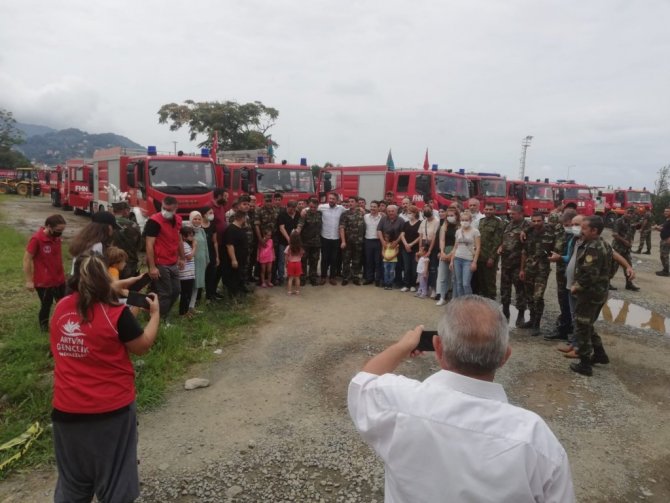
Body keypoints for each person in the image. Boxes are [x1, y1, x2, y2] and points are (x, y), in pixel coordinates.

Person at [348, 295, 575, 503]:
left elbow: (363, 381)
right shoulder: (538, 440)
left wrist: (401, 347)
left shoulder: (398, 402)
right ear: (505, 357)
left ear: (438, 348)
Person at [50, 253, 159, 503]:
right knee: (115, 481)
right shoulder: (116, 314)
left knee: (72, 483)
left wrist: (121, 286)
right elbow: (142, 345)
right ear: (105, 278)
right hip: (111, 411)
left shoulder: (61, 307)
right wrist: (154, 315)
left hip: (66, 411)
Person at [569, 216, 613, 376]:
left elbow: (590, 274)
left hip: (589, 294)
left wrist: (577, 286)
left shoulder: (593, 247)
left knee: (582, 326)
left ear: (594, 231)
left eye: (584, 228)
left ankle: (585, 364)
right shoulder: (604, 244)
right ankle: (600, 354)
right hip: (599, 292)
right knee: (587, 324)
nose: (581, 231)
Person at [23, 214, 67, 331]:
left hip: (59, 279)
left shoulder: (56, 238)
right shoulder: (36, 239)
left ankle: (63, 325)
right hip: (44, 281)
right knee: (46, 305)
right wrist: (29, 281)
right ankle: (44, 329)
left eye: (62, 230)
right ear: (48, 226)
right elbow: (27, 259)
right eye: (58, 230)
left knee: (64, 303)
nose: (60, 233)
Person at [145, 197, 185, 320]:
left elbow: (179, 239)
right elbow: (149, 244)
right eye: (164, 208)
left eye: (169, 209)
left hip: (173, 261)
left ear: (175, 208)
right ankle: (160, 319)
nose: (165, 211)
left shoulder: (178, 220)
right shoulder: (154, 221)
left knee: (176, 290)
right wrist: (152, 267)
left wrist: (182, 257)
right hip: (160, 262)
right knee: (165, 292)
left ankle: (160, 313)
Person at [519, 212, 555, 337]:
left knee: (538, 297)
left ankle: (537, 325)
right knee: (529, 296)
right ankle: (532, 319)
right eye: (533, 221)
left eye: (539, 221)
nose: (536, 223)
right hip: (529, 269)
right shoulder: (528, 233)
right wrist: (522, 269)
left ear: (543, 220)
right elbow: (524, 252)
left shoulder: (550, 232)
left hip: (542, 270)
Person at [545, 209, 578, 341]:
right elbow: (543, 226)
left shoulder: (580, 235)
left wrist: (560, 258)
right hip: (562, 271)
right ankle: (565, 328)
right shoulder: (560, 229)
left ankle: (573, 332)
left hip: (575, 274)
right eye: (565, 225)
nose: (567, 227)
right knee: (563, 300)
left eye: (569, 225)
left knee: (574, 303)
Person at [498, 205, 529, 326]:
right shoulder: (508, 225)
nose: (511, 216)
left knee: (520, 290)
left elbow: (526, 247)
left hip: (518, 264)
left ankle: (521, 315)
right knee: (505, 289)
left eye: (513, 214)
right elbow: (504, 240)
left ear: (521, 214)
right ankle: (505, 312)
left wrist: (522, 268)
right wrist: (501, 247)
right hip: (506, 263)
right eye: (510, 213)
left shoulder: (526, 226)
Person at [477, 202, 505, 300]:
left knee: (490, 281)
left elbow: (497, 242)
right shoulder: (481, 221)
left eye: (490, 209)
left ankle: (492, 301)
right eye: (486, 209)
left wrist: (492, 258)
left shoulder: (498, 223)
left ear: (494, 210)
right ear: (483, 210)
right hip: (480, 256)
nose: (488, 211)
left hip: (489, 257)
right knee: (481, 281)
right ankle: (483, 302)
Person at [317, 192, 347, 285]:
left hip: (336, 238)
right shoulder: (322, 207)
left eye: (333, 199)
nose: (331, 200)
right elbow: (311, 208)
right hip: (325, 237)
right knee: (324, 258)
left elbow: (350, 210)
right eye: (330, 198)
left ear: (337, 200)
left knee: (334, 258)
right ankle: (323, 277)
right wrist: (304, 210)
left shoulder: (341, 208)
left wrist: (361, 209)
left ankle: (332, 277)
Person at [450, 211, 480, 298]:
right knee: (458, 283)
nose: (464, 222)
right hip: (457, 259)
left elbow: (478, 247)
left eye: (466, 220)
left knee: (466, 284)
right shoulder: (458, 231)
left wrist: (474, 262)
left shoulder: (475, 231)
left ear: (470, 220)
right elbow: (455, 247)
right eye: (462, 220)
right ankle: (461, 302)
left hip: (468, 260)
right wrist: (451, 261)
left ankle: (469, 302)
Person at [610, 207, 640, 291]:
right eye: (628, 213)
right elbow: (615, 234)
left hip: (626, 248)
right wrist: (625, 241)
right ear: (624, 213)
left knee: (628, 265)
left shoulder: (631, 222)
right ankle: (607, 282)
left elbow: (631, 233)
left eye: (631, 213)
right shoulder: (619, 221)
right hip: (617, 247)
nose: (630, 215)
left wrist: (630, 241)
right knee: (613, 266)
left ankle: (629, 283)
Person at [111, 202, 142, 279]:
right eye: (128, 210)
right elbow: (140, 244)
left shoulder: (108, 223)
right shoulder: (132, 225)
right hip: (129, 261)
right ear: (125, 211)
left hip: (111, 261)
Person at [339, 195, 366, 285]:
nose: (350, 203)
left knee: (357, 260)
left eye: (352, 202)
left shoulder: (363, 213)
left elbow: (376, 214)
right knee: (346, 260)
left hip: (359, 242)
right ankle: (345, 277)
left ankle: (355, 277)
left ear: (357, 203)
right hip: (348, 242)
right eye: (349, 202)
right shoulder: (345, 214)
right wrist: (343, 241)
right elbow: (342, 228)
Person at [222, 210, 250, 297]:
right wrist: (234, 259)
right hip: (235, 258)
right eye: (245, 218)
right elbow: (229, 245)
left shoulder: (240, 228)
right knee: (234, 277)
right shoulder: (231, 229)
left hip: (241, 258)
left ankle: (240, 292)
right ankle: (233, 296)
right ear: (242, 218)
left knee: (239, 276)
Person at [296, 197, 322, 286]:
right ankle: (302, 278)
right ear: (308, 206)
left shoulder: (320, 213)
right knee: (303, 261)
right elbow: (300, 225)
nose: (313, 209)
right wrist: (296, 233)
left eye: (315, 207)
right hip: (305, 243)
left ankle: (313, 278)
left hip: (316, 243)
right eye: (311, 207)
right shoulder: (304, 214)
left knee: (314, 261)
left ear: (317, 206)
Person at [435, 207, 459, 306]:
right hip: (444, 252)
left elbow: (458, 242)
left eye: (452, 215)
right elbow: (442, 240)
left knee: (454, 278)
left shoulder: (460, 227)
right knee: (442, 277)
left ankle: (453, 298)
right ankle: (442, 297)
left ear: (457, 216)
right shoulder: (444, 226)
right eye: (448, 215)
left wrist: (451, 254)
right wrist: (442, 252)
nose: (449, 217)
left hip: (456, 253)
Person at [417, 204, 440, 298]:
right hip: (424, 245)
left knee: (433, 268)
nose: (426, 211)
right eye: (424, 210)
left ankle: (433, 288)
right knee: (423, 268)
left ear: (432, 210)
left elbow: (434, 236)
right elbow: (420, 235)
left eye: (428, 209)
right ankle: (423, 288)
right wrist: (420, 248)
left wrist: (430, 250)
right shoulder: (423, 222)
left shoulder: (437, 221)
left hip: (433, 246)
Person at [277, 200, 300, 287]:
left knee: (294, 260)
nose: (293, 211)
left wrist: (296, 235)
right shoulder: (282, 214)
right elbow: (281, 228)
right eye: (291, 209)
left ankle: (291, 277)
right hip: (283, 241)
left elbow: (299, 226)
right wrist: (289, 239)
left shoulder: (297, 214)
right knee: (282, 260)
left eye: (294, 209)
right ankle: (281, 277)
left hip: (295, 243)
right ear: (287, 207)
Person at [189, 211, 210, 311]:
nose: (197, 221)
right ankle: (186, 306)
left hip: (201, 261)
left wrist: (207, 259)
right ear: (191, 219)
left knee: (197, 284)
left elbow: (205, 246)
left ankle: (192, 306)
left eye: (199, 219)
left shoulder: (202, 231)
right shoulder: (188, 231)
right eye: (195, 219)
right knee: (190, 283)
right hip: (191, 261)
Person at [399, 205, 421, 292]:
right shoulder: (406, 223)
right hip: (405, 248)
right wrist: (406, 244)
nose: (408, 214)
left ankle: (413, 284)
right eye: (408, 213)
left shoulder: (420, 223)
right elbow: (402, 235)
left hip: (415, 248)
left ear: (415, 213)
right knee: (406, 267)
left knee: (414, 267)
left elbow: (420, 236)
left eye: (410, 213)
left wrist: (411, 244)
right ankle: (406, 284)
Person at [201, 207, 221, 301]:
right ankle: (197, 298)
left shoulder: (212, 225)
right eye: (210, 213)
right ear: (204, 214)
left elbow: (215, 242)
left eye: (212, 213)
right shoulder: (198, 226)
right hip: (201, 254)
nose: (212, 215)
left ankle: (210, 295)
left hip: (211, 253)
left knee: (211, 275)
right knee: (202, 276)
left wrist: (217, 256)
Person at [363, 200, 383, 286]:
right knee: (369, 261)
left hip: (378, 242)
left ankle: (377, 279)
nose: (372, 208)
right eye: (371, 206)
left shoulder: (382, 218)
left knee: (378, 261)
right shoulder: (365, 216)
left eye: (374, 207)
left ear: (378, 208)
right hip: (368, 241)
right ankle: (369, 278)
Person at [178, 227, 196, 318]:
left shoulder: (186, 244)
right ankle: (183, 312)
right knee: (185, 294)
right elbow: (189, 256)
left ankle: (186, 311)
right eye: (190, 235)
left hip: (189, 274)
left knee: (188, 293)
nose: (192, 237)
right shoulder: (184, 245)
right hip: (185, 274)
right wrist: (195, 247)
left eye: (192, 235)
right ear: (184, 236)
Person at [653, 206, 670, 276]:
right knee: (662, 256)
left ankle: (666, 272)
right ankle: (665, 270)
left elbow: (663, 229)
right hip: (663, 240)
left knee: (665, 256)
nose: (665, 212)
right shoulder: (667, 220)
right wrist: (657, 228)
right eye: (665, 211)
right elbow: (664, 229)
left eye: (667, 211)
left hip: (667, 240)